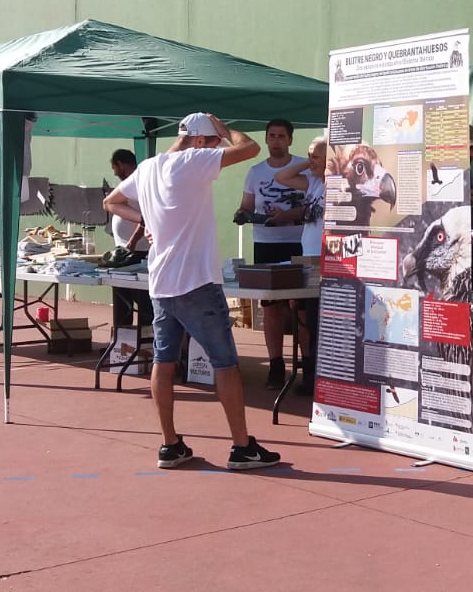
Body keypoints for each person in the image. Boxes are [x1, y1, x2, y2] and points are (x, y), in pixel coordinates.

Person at [104, 112, 281, 471]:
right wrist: (224, 127)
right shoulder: (193, 161)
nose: (218, 146)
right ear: (200, 141)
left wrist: (147, 221)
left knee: (163, 361)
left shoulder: (150, 167)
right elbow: (249, 148)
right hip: (196, 281)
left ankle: (169, 444)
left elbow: (111, 201)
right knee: (225, 363)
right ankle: (241, 446)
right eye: (213, 140)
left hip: (162, 282)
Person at [238, 118, 307, 388]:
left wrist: (288, 215)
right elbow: (246, 205)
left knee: (300, 307)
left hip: (299, 243)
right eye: (272, 136)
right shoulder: (255, 172)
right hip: (265, 244)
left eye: (281, 136)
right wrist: (242, 214)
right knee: (271, 308)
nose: (276, 141)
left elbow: (315, 204)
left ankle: (308, 365)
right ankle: (276, 365)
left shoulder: (305, 167)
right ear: (266, 139)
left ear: (290, 140)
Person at [275, 136, 327, 395]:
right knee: (305, 319)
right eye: (308, 156)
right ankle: (309, 374)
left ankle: (320, 378)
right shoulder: (314, 183)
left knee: (319, 323)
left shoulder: (338, 186)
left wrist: (323, 161)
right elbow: (282, 177)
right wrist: (311, 160)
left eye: (315, 156)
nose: (310, 162)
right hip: (307, 260)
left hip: (326, 263)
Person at [107, 148, 153, 329]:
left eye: (114, 168)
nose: (114, 172)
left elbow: (147, 218)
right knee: (121, 299)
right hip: (124, 251)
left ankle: (146, 343)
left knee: (143, 300)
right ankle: (121, 343)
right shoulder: (127, 186)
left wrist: (132, 241)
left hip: (139, 252)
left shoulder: (141, 184)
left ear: (121, 164)